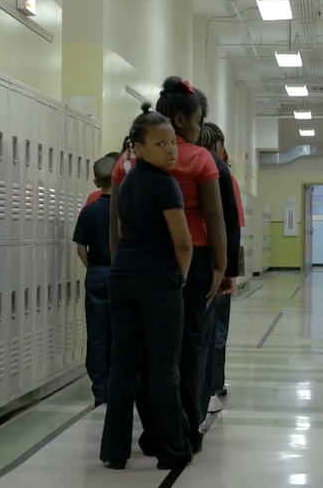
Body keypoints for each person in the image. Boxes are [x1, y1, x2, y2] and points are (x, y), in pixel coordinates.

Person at [110, 77, 227, 455]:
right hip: (178, 268)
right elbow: (213, 217)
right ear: (180, 120)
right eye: (196, 121)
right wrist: (220, 266)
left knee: (136, 360)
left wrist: (118, 265)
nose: (197, 130)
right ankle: (181, 435)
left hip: (130, 271)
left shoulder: (127, 165)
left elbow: (116, 221)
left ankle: (139, 438)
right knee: (182, 355)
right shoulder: (197, 160)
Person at [100, 104, 194, 471]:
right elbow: (183, 243)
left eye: (172, 142)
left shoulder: (123, 182)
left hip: (122, 279)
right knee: (163, 368)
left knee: (123, 368)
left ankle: (114, 450)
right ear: (137, 148)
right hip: (158, 283)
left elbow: (120, 233)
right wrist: (181, 275)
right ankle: (172, 449)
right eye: (160, 143)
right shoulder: (166, 185)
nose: (170, 150)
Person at [197, 121, 244, 415]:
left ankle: (204, 388)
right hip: (215, 263)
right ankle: (214, 387)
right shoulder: (222, 175)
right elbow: (232, 226)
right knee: (216, 330)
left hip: (191, 264)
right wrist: (230, 272)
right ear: (217, 147)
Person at [73, 154, 118, 405]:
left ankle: (99, 389)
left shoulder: (89, 211)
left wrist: (93, 269)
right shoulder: (124, 210)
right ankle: (116, 384)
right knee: (118, 332)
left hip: (97, 273)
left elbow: (81, 248)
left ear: (95, 181)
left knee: (97, 333)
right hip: (119, 275)